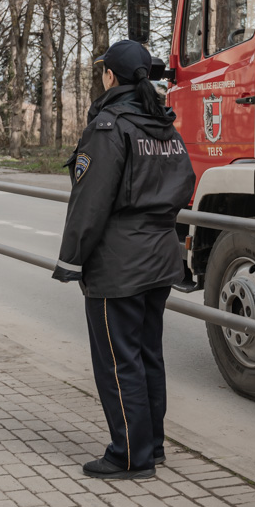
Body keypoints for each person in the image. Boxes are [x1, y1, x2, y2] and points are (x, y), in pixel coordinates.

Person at [52, 40, 195, 480]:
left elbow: (90, 202)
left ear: (110, 76)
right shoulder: (164, 126)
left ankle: (129, 456)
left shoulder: (109, 127)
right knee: (148, 355)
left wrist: (71, 260)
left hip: (119, 265)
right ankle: (152, 445)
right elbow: (185, 184)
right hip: (160, 258)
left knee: (119, 362)